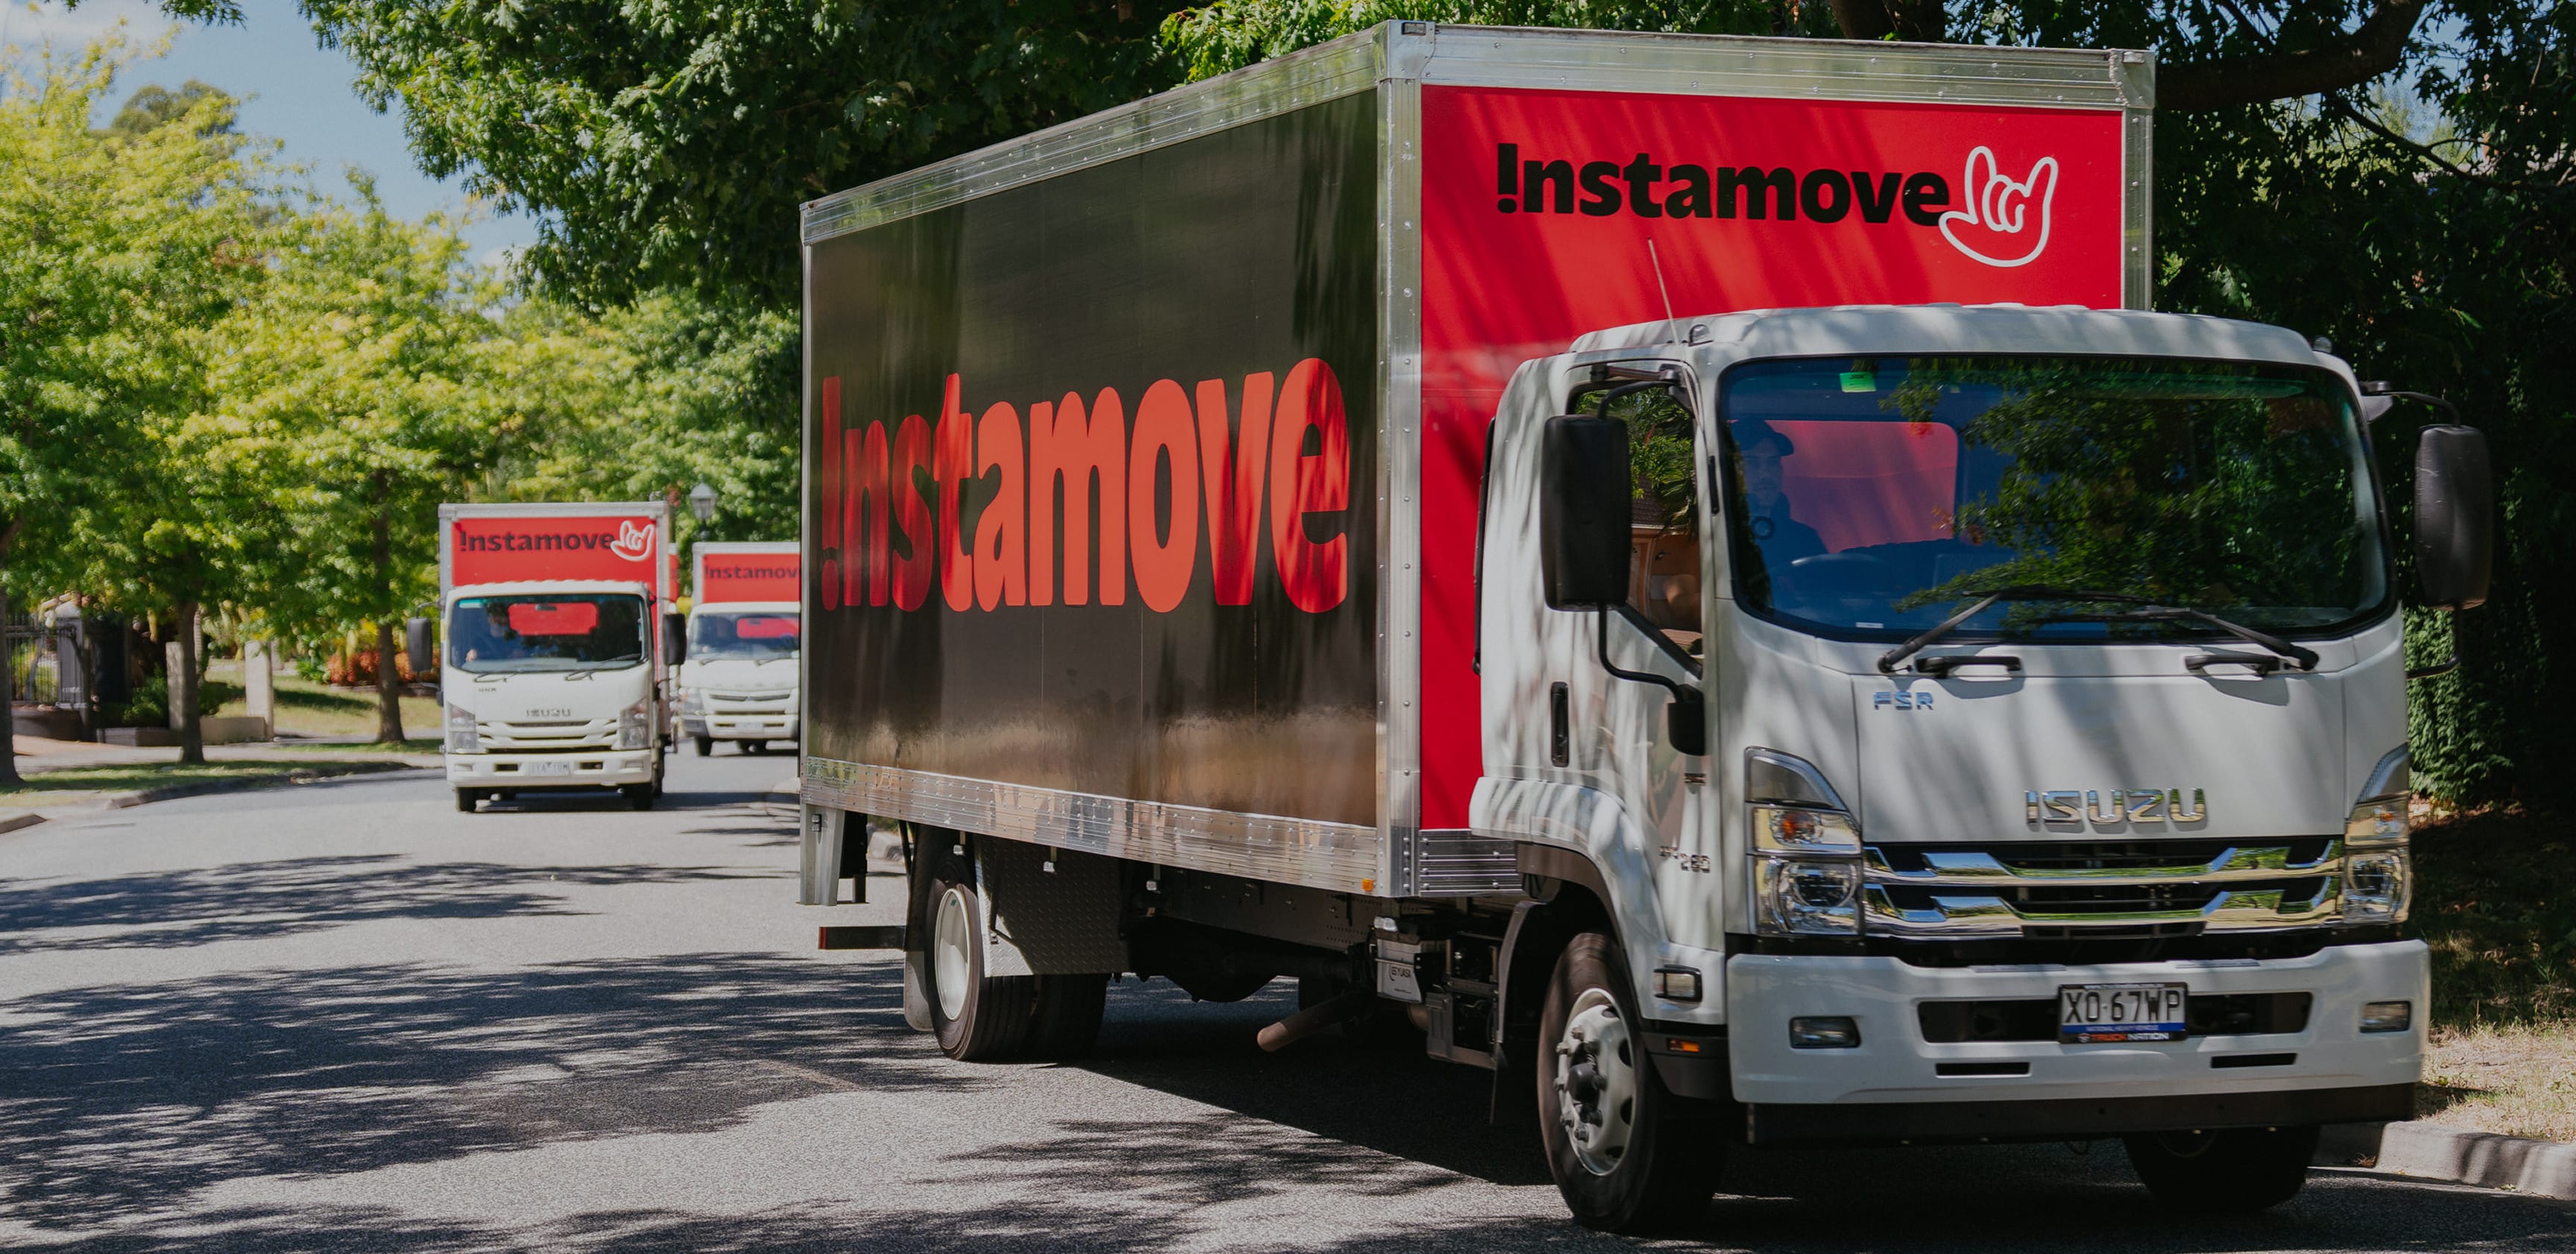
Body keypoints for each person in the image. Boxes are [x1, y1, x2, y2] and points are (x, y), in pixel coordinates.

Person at [1732, 419, 1825, 568]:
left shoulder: (1804, 538)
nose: (1765, 474)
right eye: (1751, 462)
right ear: (1729, 471)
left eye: (1773, 462)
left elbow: (1829, 587)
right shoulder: (1712, 535)